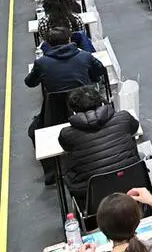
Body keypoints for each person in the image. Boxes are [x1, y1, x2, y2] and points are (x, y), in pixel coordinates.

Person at [26, 25, 106, 182]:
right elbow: (100, 72)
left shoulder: (42, 63)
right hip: (88, 108)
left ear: (48, 43)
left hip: (55, 114)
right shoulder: (85, 56)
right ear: (69, 39)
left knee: (33, 131)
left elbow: (30, 82)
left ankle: (52, 173)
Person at [58, 86, 140, 206]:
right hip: (131, 183)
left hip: (94, 197)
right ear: (101, 101)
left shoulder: (67, 134)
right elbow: (135, 127)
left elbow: (66, 147)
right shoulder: (123, 117)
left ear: (73, 111)